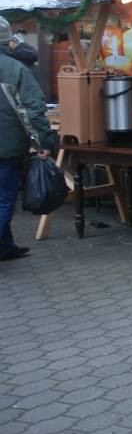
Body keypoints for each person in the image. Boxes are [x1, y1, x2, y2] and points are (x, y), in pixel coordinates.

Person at [0, 16, 57, 262]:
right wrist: (45, 143)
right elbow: (33, 110)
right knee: (3, 199)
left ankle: (6, 247)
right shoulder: (15, 69)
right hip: (6, 146)